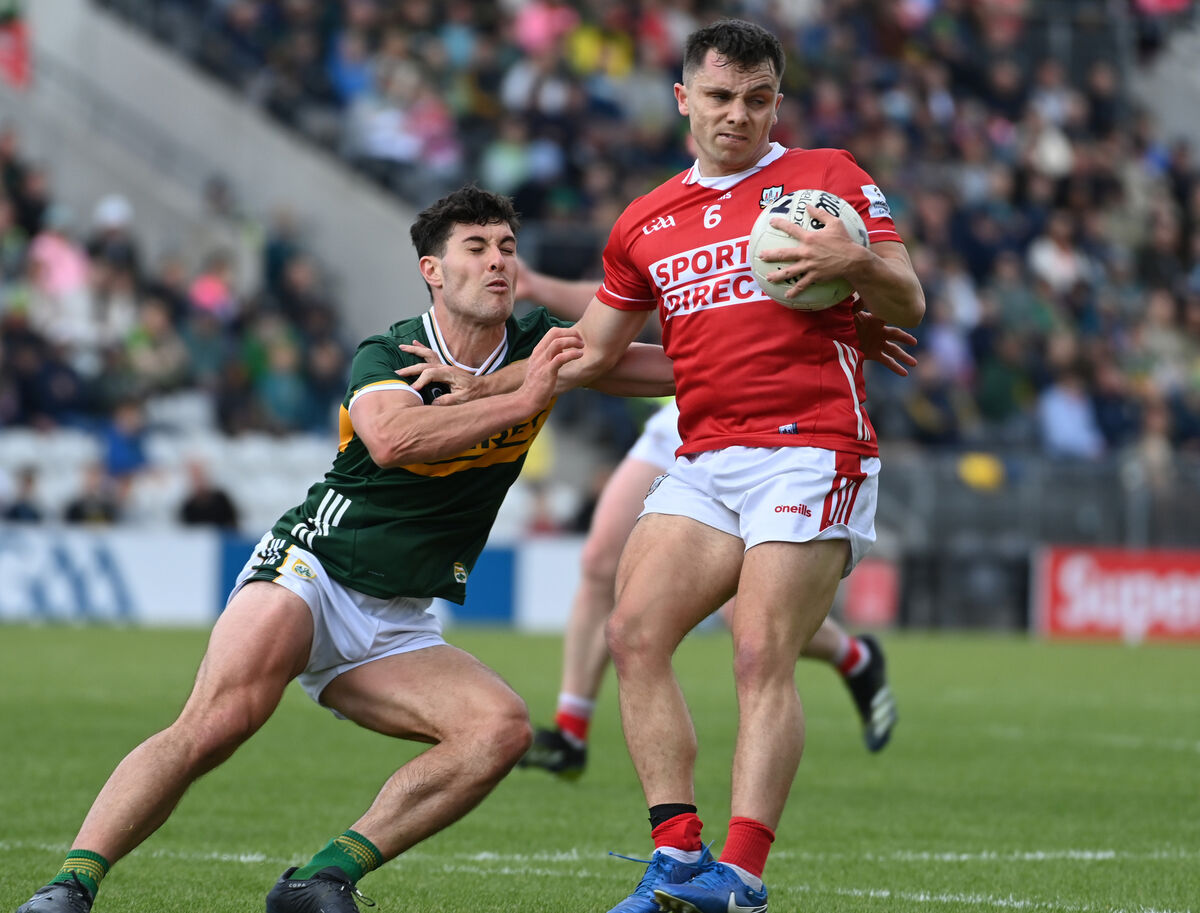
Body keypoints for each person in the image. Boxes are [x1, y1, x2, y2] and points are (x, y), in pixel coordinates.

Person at [13, 185, 672, 913]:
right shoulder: (388, 350)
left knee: (500, 730)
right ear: (432, 269)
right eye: (476, 248)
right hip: (312, 567)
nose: (497, 263)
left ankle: (319, 878)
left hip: (397, 619)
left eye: (508, 248)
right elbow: (392, 440)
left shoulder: (543, 345)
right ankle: (69, 885)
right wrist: (518, 400)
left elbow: (664, 369)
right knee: (217, 722)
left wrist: (763, 341)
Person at [516, 20, 925, 913]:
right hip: (705, 452)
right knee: (634, 632)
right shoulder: (644, 222)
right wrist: (483, 379)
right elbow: (592, 353)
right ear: (683, 100)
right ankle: (677, 858)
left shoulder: (829, 179)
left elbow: (908, 295)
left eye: (757, 98)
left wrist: (853, 261)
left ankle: (739, 878)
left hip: (813, 445)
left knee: (758, 649)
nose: (738, 115)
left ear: (778, 100)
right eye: (719, 97)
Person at [505, 265, 914, 779]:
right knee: (598, 561)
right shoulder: (675, 214)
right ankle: (570, 731)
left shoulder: (772, 209)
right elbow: (622, 301)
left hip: (764, 420)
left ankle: (854, 656)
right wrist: (542, 289)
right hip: (682, 414)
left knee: (746, 616)